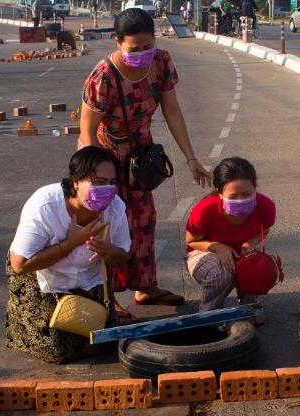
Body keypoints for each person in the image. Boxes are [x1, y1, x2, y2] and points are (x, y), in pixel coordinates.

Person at [79, 9, 212, 321]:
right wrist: (95, 178)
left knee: (145, 221)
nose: (142, 54)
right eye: (133, 49)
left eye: (146, 47)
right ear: (118, 42)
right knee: (111, 227)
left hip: (141, 158)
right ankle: (108, 299)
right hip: (105, 158)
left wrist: (192, 158)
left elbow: (173, 111)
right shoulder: (103, 77)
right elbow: (87, 131)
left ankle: (146, 287)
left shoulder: (162, 62)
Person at [7, 147, 132, 363]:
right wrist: (70, 244)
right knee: (57, 350)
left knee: (107, 342)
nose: (107, 190)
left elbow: (123, 257)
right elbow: (20, 264)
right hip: (43, 280)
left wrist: (108, 250)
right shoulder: (45, 206)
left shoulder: (116, 207)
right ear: (75, 182)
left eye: (112, 183)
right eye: (99, 182)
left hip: (88, 280)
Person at [185, 157, 276, 318]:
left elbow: (264, 231)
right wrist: (217, 247)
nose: (241, 200)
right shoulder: (204, 210)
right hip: (205, 251)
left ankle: (251, 305)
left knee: (258, 267)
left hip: (242, 250)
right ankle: (209, 314)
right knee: (223, 273)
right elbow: (191, 241)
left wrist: (251, 243)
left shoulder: (265, 206)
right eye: (233, 196)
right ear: (219, 193)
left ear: (255, 188)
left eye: (247, 194)